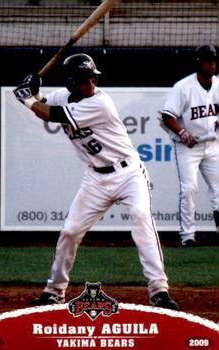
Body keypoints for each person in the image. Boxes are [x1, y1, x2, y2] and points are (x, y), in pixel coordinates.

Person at [14, 53, 178, 310]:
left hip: (129, 173)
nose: (91, 83)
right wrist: (33, 90)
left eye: (92, 77)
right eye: (84, 79)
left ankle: (159, 290)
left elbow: (48, 114)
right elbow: (43, 104)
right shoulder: (62, 96)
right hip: (96, 178)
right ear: (71, 82)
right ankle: (55, 290)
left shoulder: (100, 103)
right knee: (70, 231)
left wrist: (27, 98)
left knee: (141, 218)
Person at [162, 45, 219, 247]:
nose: (211, 65)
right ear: (198, 63)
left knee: (218, 189)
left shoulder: (218, 85)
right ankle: (188, 236)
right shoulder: (183, 87)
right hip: (188, 148)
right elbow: (168, 116)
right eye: (207, 61)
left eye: (213, 61)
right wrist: (182, 132)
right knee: (189, 189)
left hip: (212, 145)